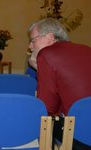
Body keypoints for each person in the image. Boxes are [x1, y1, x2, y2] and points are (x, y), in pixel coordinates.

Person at [27, 18, 91, 149]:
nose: (30, 46)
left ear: (50, 37)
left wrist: (40, 66)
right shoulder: (86, 49)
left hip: (78, 135)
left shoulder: (46, 54)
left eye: (33, 40)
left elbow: (47, 108)